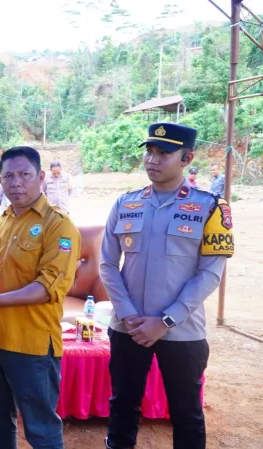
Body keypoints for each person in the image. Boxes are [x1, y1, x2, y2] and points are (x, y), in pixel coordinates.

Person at [100, 123, 234, 449]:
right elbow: (107, 265)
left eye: (163, 153)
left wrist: (165, 320)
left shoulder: (211, 208)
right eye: (149, 151)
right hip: (128, 328)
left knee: (186, 413)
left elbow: (210, 274)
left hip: (182, 332)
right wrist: (128, 315)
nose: (152, 159)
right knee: (122, 405)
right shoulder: (125, 203)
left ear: (187, 158)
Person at [0, 146, 81, 449]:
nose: (16, 183)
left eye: (24, 174)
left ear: (40, 176)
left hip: (31, 344)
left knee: (41, 428)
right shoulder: (3, 219)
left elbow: (48, 287)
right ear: (0, 181)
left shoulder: (58, 224)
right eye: (9, 176)